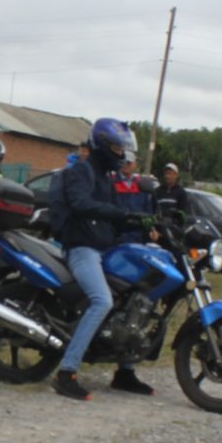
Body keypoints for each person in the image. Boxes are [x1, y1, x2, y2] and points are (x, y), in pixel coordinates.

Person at [48, 118, 154, 400]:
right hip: (82, 249)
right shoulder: (80, 172)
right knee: (102, 300)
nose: (122, 154)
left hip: (104, 250)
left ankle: (125, 372)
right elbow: (82, 205)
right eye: (118, 148)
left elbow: (117, 217)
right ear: (103, 145)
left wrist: (148, 224)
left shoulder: (107, 180)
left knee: (135, 297)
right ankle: (66, 373)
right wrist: (121, 215)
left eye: (124, 149)